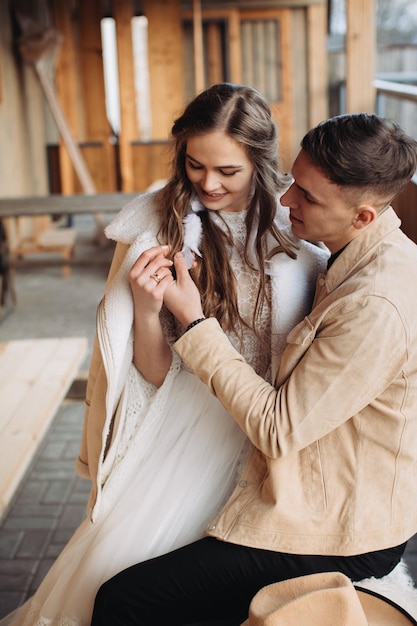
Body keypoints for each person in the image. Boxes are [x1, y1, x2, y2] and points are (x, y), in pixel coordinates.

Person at [0, 84, 327, 626]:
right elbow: (154, 374)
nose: (207, 182)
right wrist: (149, 310)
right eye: (195, 165)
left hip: (267, 434)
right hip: (187, 431)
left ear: (262, 163)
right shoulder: (164, 227)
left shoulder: (302, 231)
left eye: (228, 170)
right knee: (125, 571)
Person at [90, 113, 417, 626]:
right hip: (320, 493)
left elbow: (278, 428)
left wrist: (194, 320)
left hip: (339, 528)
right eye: (292, 184)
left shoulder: (376, 304)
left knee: (122, 601)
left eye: (308, 198)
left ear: (364, 217)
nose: (287, 202)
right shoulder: (356, 255)